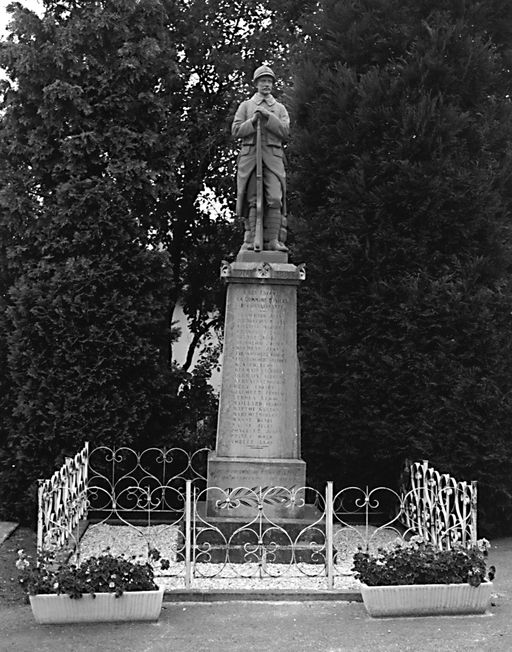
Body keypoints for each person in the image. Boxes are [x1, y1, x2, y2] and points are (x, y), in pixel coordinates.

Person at [232, 65, 290, 252]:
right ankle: (250, 240)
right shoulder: (246, 106)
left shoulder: (279, 108)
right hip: (250, 159)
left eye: (269, 81)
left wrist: (269, 117)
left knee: (275, 198)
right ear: (256, 84)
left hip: (272, 159)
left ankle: (273, 240)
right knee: (252, 199)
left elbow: (285, 132)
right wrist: (253, 122)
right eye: (263, 81)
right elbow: (236, 130)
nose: (266, 84)